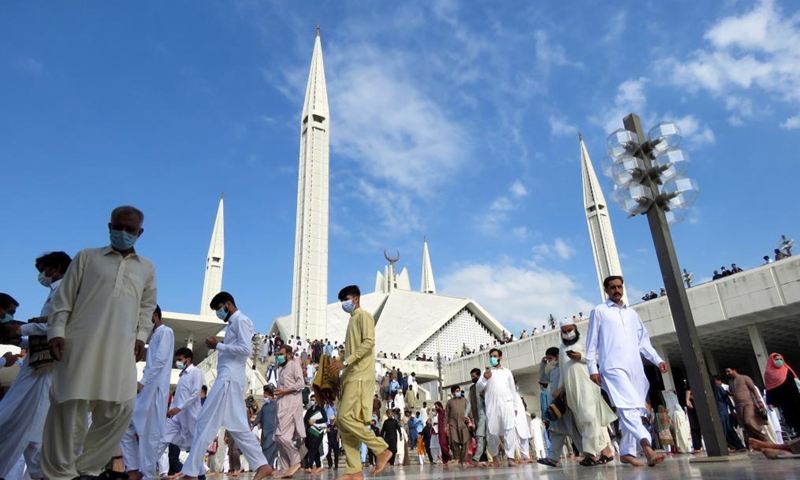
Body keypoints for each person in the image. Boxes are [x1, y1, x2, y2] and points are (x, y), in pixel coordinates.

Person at [43, 206, 157, 480]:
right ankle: (61, 473)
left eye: (130, 229)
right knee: (70, 406)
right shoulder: (87, 258)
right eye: (119, 226)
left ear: (139, 232)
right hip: (80, 343)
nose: (124, 233)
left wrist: (141, 337)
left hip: (122, 347)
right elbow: (64, 299)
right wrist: (56, 330)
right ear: (109, 227)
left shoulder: (147, 268)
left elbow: (146, 307)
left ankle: (88, 469)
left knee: (120, 407)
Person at [178, 292, 272, 480]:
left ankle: (191, 471)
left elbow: (245, 349)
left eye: (219, 309)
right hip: (228, 377)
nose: (218, 313)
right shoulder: (233, 324)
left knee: (205, 420)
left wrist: (218, 345)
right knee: (237, 427)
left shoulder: (241, 320)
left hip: (228, 379)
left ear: (228, 304)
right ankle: (262, 464)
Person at [0, 252, 70, 480]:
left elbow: (58, 326)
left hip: (43, 370)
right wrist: (20, 339)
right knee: (31, 431)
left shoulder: (63, 291)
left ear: (54, 268)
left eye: (43, 270)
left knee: (15, 419)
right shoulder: (55, 292)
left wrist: (21, 330)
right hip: (38, 366)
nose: (42, 276)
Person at [586, 275, 667, 467]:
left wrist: (657, 359)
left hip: (635, 368)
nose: (617, 290)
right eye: (612, 287)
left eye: (619, 287)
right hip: (612, 367)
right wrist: (592, 368)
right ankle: (648, 448)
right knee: (628, 408)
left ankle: (627, 452)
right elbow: (592, 343)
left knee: (635, 409)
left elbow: (643, 342)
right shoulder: (599, 311)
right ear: (606, 290)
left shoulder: (632, 314)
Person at [325, 285, 392, 480]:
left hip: (361, 375)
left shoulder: (364, 316)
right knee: (345, 424)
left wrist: (345, 362)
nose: (343, 304)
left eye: (345, 299)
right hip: (350, 376)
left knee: (345, 417)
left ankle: (381, 449)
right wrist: (339, 371)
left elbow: (369, 341)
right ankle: (354, 471)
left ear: (355, 298)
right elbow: (349, 354)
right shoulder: (351, 321)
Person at [121, 306, 174, 480]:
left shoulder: (166, 332)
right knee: (126, 427)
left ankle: (147, 474)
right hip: (147, 391)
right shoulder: (154, 336)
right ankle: (135, 469)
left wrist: (143, 383)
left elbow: (160, 361)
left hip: (154, 391)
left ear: (154, 315)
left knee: (149, 435)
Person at [554, 317, 616, 466]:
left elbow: (597, 358)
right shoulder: (562, 348)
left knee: (589, 418)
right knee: (583, 421)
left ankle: (592, 454)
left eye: (569, 330)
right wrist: (560, 388)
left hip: (587, 386)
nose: (567, 334)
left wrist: (580, 357)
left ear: (575, 328)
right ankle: (605, 451)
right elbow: (563, 370)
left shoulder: (585, 342)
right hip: (572, 390)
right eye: (564, 332)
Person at [155, 347, 204, 476]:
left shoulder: (196, 372)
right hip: (176, 417)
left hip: (191, 417)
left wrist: (179, 408)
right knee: (162, 439)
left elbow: (195, 394)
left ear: (188, 360)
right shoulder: (182, 375)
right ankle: (146, 470)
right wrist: (172, 409)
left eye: (180, 359)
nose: (178, 362)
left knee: (195, 448)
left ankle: (200, 475)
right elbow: (178, 396)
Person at [476, 348, 518, 467]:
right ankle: (494, 456)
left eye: (495, 356)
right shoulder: (487, 372)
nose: (492, 358)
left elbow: (512, 390)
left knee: (509, 430)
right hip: (492, 406)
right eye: (491, 356)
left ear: (500, 358)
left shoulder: (507, 372)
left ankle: (510, 457)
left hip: (507, 405)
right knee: (492, 431)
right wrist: (484, 378)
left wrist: (514, 406)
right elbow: (479, 388)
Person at [273, 343, 305, 478]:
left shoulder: (294, 366)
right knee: (278, 438)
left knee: (283, 437)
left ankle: (296, 459)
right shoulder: (282, 370)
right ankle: (286, 468)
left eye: (281, 354)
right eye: (278, 355)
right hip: (281, 406)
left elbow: (301, 383)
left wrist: (285, 390)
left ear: (289, 355)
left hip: (291, 406)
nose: (279, 357)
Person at [724, 366, 768, 443]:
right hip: (738, 406)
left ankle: (764, 438)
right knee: (744, 425)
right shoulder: (730, 381)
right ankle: (755, 443)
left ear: (734, 370)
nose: (727, 373)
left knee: (748, 421)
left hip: (748, 403)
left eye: (728, 371)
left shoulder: (744, 378)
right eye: (726, 372)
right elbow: (733, 392)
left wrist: (759, 401)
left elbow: (753, 389)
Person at [765, 353, 800, 436]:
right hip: (783, 400)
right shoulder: (768, 373)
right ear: (772, 361)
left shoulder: (786, 369)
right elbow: (769, 388)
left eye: (781, 359)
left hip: (794, 397)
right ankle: (797, 430)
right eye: (777, 359)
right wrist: (771, 402)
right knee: (789, 416)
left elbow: (794, 382)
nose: (779, 361)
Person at [712, 377, 746, 451]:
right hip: (721, 410)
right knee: (727, 428)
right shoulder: (714, 388)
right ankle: (738, 446)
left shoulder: (717, 388)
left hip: (722, 410)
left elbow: (726, 399)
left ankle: (727, 446)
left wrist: (731, 409)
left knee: (724, 428)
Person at [252, 386, 277, 469]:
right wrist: (253, 425)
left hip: (273, 431)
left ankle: (268, 467)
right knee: (264, 449)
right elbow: (259, 417)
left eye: (266, 397)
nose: (264, 398)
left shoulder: (276, 405)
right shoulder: (264, 407)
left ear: (270, 396)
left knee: (270, 450)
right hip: (264, 432)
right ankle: (268, 468)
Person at [445, 386, 470, 465]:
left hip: (463, 424)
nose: (458, 392)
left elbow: (470, 411)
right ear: (452, 393)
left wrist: (472, 421)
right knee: (453, 441)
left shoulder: (465, 400)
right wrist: (445, 426)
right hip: (453, 424)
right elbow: (446, 415)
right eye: (456, 391)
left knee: (465, 441)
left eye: (459, 391)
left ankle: (463, 459)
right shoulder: (449, 402)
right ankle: (457, 457)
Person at [467, 368, 487, 465]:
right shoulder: (471, 389)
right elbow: (469, 403)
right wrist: (465, 415)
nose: (472, 378)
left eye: (474, 376)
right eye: (471, 377)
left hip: (485, 414)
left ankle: (476, 458)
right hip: (476, 415)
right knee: (482, 437)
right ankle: (483, 458)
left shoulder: (484, 386)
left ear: (479, 376)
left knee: (480, 436)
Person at [303, 396, 328, 473]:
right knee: (313, 448)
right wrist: (309, 421)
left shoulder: (320, 409)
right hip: (310, 432)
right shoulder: (309, 410)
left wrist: (315, 421)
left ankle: (309, 466)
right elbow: (305, 419)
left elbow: (325, 419)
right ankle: (319, 466)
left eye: (314, 400)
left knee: (314, 448)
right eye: (311, 400)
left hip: (318, 432)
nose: (312, 401)